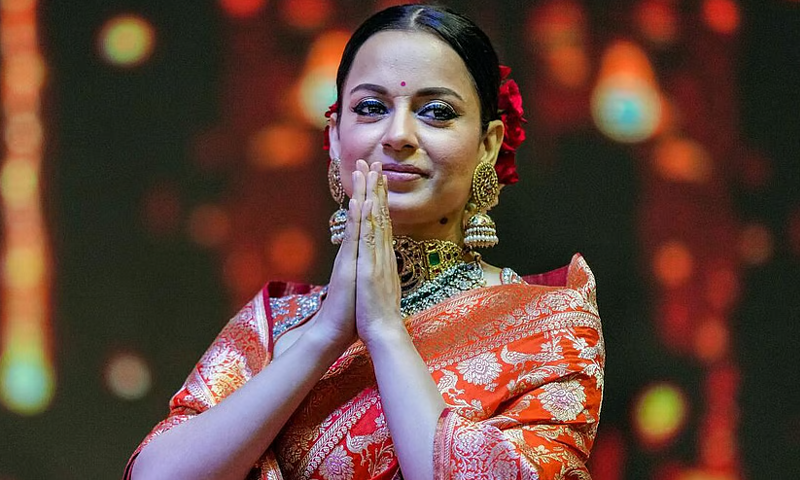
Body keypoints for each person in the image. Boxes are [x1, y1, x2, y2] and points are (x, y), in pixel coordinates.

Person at [125, 4, 604, 480]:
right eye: (371, 108)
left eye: (437, 112)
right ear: (335, 137)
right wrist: (325, 334)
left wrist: (385, 331)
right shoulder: (274, 325)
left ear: (489, 144)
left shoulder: (549, 325)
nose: (398, 135)